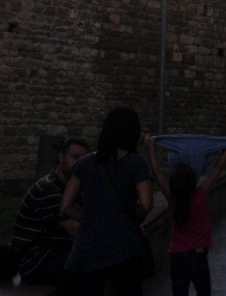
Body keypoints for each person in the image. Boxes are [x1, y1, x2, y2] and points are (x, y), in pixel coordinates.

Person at [61, 106, 154, 296]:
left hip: (87, 251)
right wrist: (134, 218)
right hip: (125, 250)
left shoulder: (85, 163)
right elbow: (146, 203)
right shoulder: (137, 163)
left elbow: (66, 206)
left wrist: (88, 216)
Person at [145, 127, 226, 296]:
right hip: (198, 254)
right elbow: (218, 168)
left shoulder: (172, 199)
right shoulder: (201, 195)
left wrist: (151, 148)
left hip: (176, 255)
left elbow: (157, 173)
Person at [11, 136, 90, 287]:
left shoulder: (74, 189)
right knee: (89, 266)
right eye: (75, 157)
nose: (79, 163)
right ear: (61, 157)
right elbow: (75, 228)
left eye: (84, 159)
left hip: (55, 251)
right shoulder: (48, 188)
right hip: (35, 259)